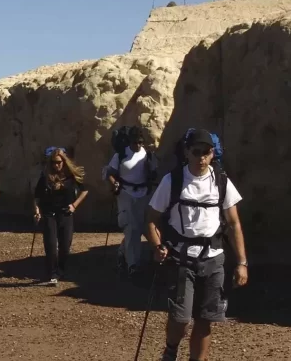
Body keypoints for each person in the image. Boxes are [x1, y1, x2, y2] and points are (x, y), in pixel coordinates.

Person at [144, 128, 248, 361]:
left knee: (205, 319)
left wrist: (242, 262)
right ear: (186, 153)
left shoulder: (221, 181)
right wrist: (156, 246)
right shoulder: (173, 181)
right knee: (180, 318)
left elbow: (233, 224)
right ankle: (171, 350)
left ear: (213, 154)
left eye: (206, 152)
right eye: (196, 151)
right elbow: (151, 219)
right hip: (181, 259)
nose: (201, 157)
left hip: (214, 259)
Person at [105, 125, 158, 278]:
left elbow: (154, 174)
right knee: (131, 227)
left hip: (144, 193)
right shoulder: (121, 155)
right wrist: (114, 183)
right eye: (135, 142)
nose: (138, 145)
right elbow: (110, 172)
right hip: (125, 193)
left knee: (143, 227)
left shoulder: (148, 155)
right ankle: (133, 265)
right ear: (130, 141)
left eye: (141, 142)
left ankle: (123, 252)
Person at [33, 148, 88, 285]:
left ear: (64, 162)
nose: (55, 165)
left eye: (58, 162)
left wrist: (74, 205)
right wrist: (37, 211)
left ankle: (60, 270)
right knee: (51, 244)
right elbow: (36, 196)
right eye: (53, 162)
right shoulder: (45, 177)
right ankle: (52, 273)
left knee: (65, 245)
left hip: (66, 213)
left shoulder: (70, 176)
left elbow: (84, 190)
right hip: (49, 214)